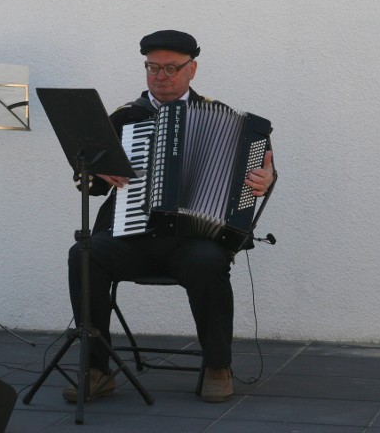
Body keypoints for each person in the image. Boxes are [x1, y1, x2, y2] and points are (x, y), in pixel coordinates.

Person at [64, 29, 275, 404]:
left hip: (191, 242)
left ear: (191, 70)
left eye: (170, 68)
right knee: (84, 253)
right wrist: (95, 173)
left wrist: (265, 179)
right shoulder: (124, 118)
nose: (160, 76)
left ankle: (217, 366)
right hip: (129, 238)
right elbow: (89, 186)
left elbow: (258, 174)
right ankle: (96, 368)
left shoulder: (225, 117)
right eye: (152, 67)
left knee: (210, 260)